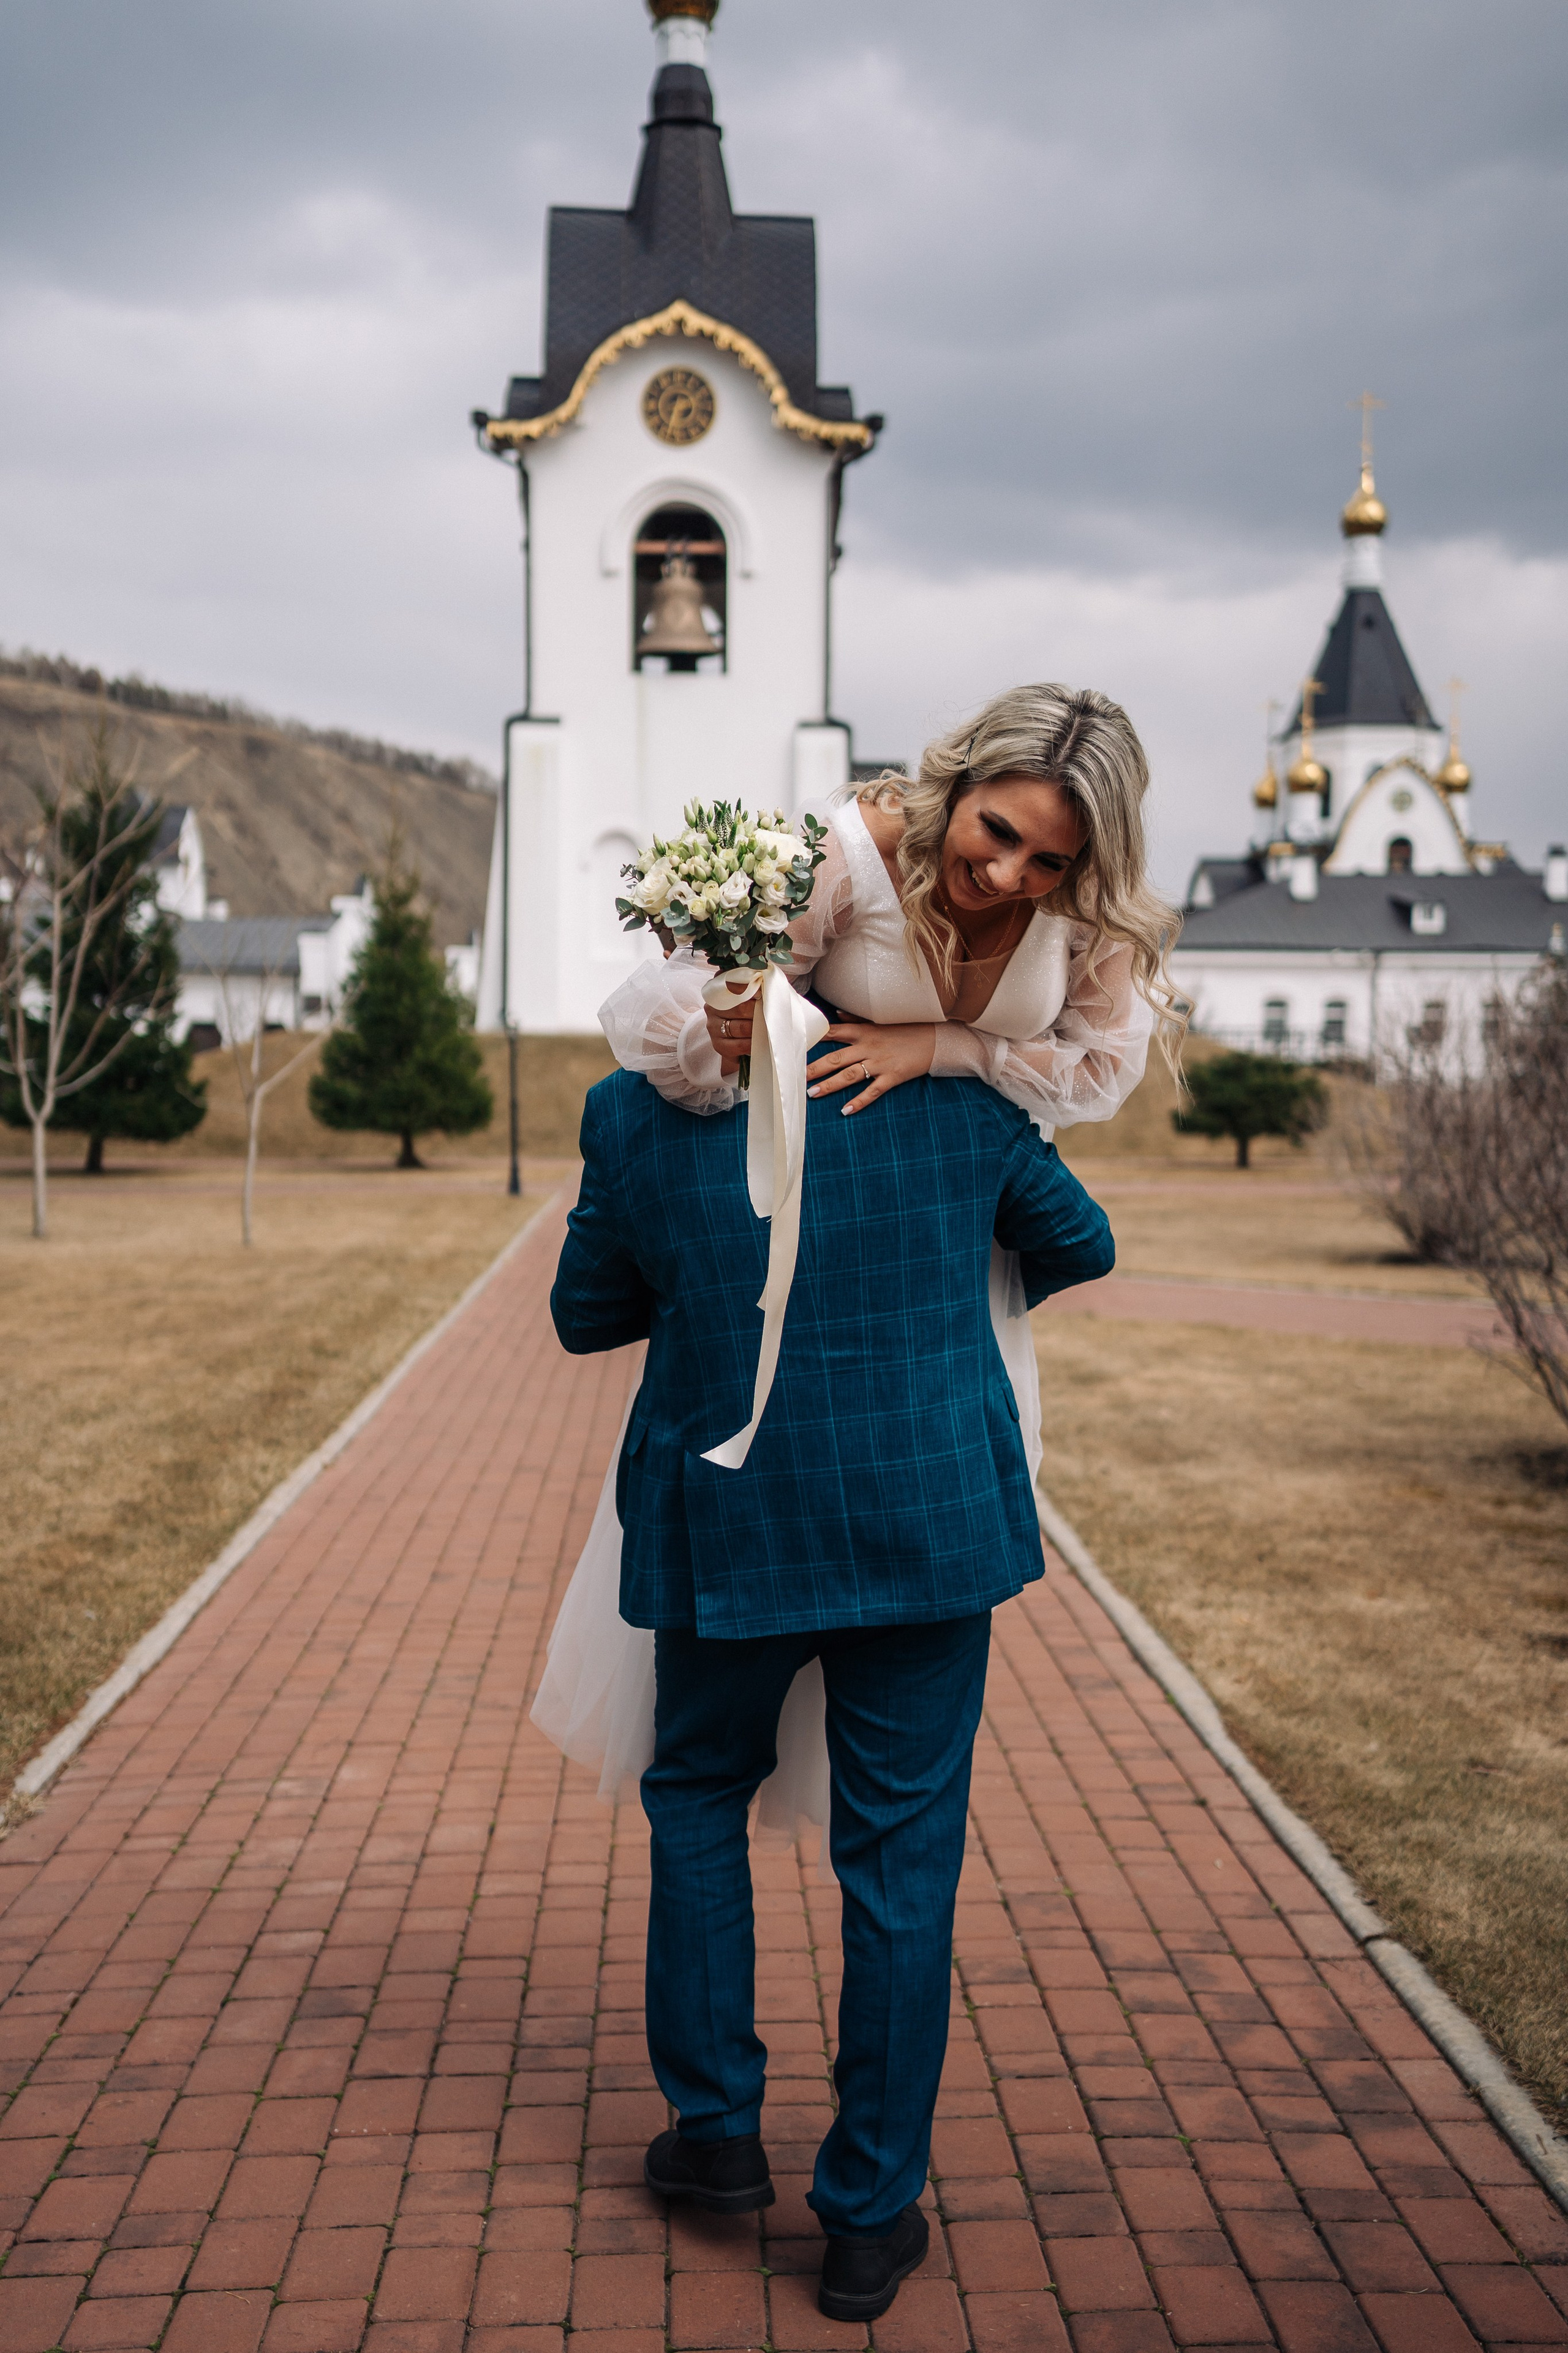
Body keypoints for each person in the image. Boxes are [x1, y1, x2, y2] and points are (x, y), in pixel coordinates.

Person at [531, 682, 1182, 1826]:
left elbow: (1094, 1070)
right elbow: (690, 998)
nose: (1011, 878)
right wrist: (729, 1023)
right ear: (960, 783)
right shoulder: (852, 850)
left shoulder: (1082, 920)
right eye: (998, 833)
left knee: (731, 1767)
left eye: (1050, 862)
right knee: (890, 1783)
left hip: (940, 1250)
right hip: (802, 1186)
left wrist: (945, 1046)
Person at [550, 1045, 1116, 2322]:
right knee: (901, 1862)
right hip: (925, 1523)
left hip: (729, 1521)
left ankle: (715, 2132)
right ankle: (866, 2218)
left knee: (695, 1795)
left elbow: (586, 1314)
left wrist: (705, 1281)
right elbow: (1080, 1244)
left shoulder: (633, 1112)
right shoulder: (957, 1097)